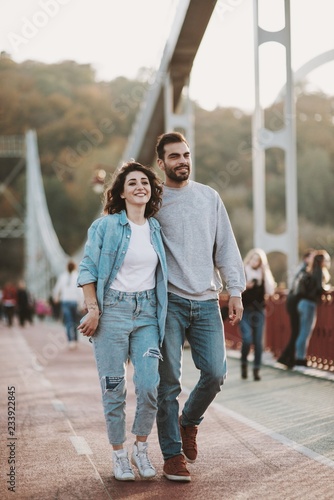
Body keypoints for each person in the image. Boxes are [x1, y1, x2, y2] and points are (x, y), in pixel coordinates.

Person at [154, 132, 245, 482]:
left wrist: (235, 291)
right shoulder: (154, 200)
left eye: (186, 155)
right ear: (161, 163)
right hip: (170, 302)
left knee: (216, 373)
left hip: (207, 300)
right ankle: (172, 454)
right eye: (174, 156)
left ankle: (188, 422)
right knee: (168, 383)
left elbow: (226, 246)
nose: (183, 161)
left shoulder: (209, 197)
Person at [77, 161, 168, 481]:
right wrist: (93, 308)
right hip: (111, 312)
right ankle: (118, 455)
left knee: (149, 385)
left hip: (147, 315)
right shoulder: (105, 227)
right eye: (132, 183)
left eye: (145, 181)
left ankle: (140, 449)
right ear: (121, 192)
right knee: (113, 388)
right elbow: (87, 269)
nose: (140, 186)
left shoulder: (157, 228)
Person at [239, 248, 276, 381]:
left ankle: (256, 369)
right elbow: (234, 288)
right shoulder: (243, 271)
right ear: (249, 259)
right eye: (253, 258)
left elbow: (271, 290)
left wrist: (265, 272)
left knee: (258, 342)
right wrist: (245, 286)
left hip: (259, 310)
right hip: (245, 310)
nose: (255, 262)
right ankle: (243, 364)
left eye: (258, 260)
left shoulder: (263, 274)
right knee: (247, 339)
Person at [277, 249, 314, 369]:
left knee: (296, 331)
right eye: (312, 257)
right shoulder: (304, 270)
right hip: (295, 302)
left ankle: (289, 358)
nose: (313, 259)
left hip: (292, 301)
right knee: (297, 331)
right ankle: (285, 357)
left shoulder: (300, 269)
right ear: (306, 258)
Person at [294, 249, 331, 367]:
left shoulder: (310, 269)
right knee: (305, 332)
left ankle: (299, 357)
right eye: (327, 260)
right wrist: (327, 288)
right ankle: (300, 359)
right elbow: (319, 288)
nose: (328, 262)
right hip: (309, 304)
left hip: (302, 303)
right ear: (322, 261)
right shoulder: (319, 270)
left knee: (302, 331)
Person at [53, 261, 84, 349]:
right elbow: (80, 291)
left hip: (65, 302)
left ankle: (71, 341)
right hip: (74, 302)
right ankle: (75, 340)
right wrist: (81, 304)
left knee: (68, 322)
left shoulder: (62, 277)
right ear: (75, 267)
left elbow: (57, 288)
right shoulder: (78, 276)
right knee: (75, 322)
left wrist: (56, 297)